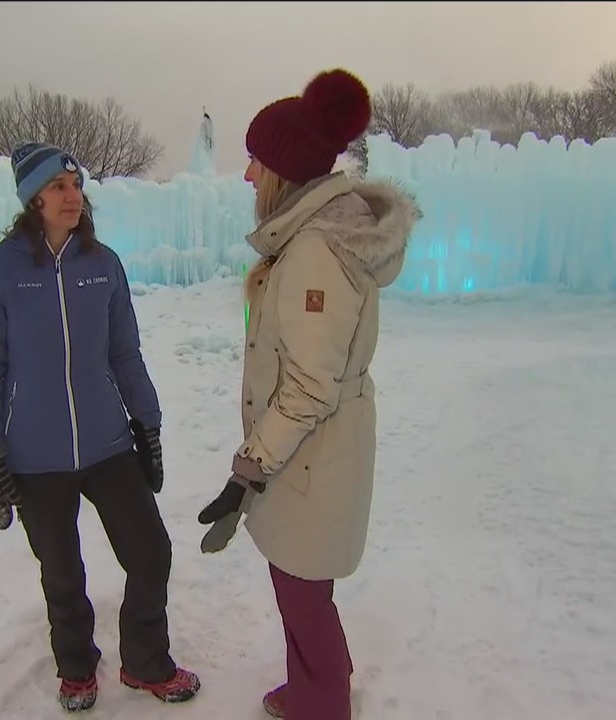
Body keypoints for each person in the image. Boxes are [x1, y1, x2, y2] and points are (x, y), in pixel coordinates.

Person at [195, 68, 419, 719]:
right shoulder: (312, 239)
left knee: (301, 590)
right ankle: (319, 682)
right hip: (312, 454)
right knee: (302, 587)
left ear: (284, 172)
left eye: (255, 162)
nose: (246, 175)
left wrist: (248, 467)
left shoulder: (315, 251)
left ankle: (322, 703)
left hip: (310, 457)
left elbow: (309, 386)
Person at [0, 141, 201, 713]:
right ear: (34, 199)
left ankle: (145, 661)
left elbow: (125, 353)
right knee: (62, 571)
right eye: (59, 187)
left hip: (107, 443)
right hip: (34, 454)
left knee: (151, 554)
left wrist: (148, 423)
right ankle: (76, 669)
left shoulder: (102, 264)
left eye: (76, 186)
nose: (73, 197)